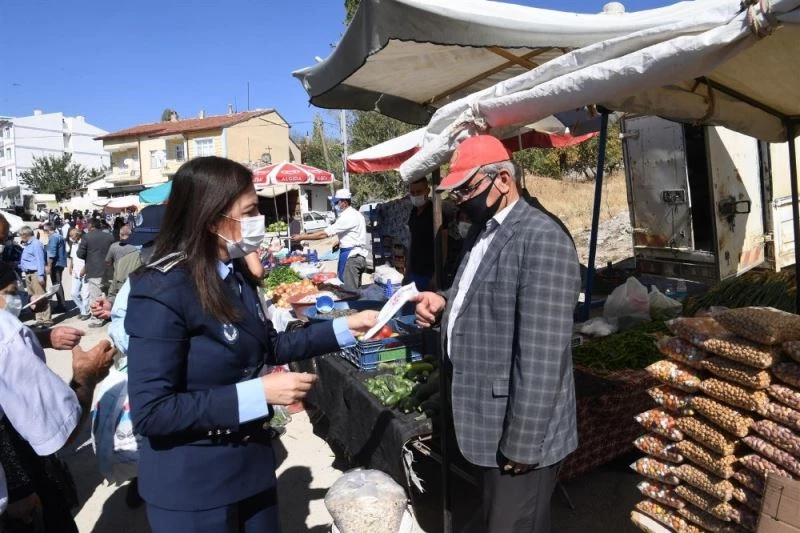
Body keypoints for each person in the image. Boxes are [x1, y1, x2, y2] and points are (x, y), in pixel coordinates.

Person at [125, 156, 378, 533]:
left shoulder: (235, 276)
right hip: (194, 487)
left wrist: (346, 327)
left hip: (251, 468)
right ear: (212, 220)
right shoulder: (162, 290)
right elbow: (152, 412)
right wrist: (256, 393)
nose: (259, 219)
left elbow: (269, 346)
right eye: (251, 210)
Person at [412, 135, 581, 533]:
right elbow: (473, 292)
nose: (460, 200)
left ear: (503, 180)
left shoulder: (542, 238)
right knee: (496, 520)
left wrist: (524, 443)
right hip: (486, 420)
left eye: (467, 189)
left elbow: (542, 354)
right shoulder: (484, 230)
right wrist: (444, 303)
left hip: (520, 430)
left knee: (514, 525)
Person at [0, 269, 116, 523]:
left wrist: (41, 337)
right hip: (22, 493)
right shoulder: (5, 334)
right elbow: (60, 433)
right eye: (10, 293)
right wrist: (86, 378)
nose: (17, 299)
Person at [291, 188, 367, 291]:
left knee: (351, 292)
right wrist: (340, 241)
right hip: (358, 255)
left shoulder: (348, 216)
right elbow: (354, 235)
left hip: (352, 257)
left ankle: (354, 307)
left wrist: (302, 237)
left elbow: (323, 234)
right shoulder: (356, 214)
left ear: (344, 202)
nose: (334, 205)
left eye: (336, 202)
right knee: (356, 291)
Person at [77, 218, 114, 328]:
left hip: (94, 271)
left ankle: (97, 319)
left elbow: (80, 254)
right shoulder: (110, 236)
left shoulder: (86, 237)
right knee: (109, 295)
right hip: (109, 270)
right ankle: (110, 315)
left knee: (95, 297)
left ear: (90, 226)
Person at [405, 177, 435, 290]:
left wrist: (437, 275)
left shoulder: (435, 213)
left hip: (429, 273)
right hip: (414, 272)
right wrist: (407, 270)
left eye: (419, 192)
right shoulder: (413, 212)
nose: (415, 195)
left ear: (427, 191)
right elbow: (412, 241)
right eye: (412, 192)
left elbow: (443, 243)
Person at [18, 226, 51, 328]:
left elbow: (40, 260)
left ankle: (46, 319)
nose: (20, 237)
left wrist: (41, 275)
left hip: (36, 273)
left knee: (40, 296)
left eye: (21, 235)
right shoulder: (28, 245)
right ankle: (39, 319)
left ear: (25, 234)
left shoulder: (36, 244)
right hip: (28, 274)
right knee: (34, 298)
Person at [43, 222, 68, 314]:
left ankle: (62, 305)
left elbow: (52, 254)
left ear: (48, 230)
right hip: (60, 263)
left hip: (56, 264)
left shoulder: (53, 238)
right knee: (57, 283)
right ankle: (61, 304)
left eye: (45, 231)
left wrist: (49, 266)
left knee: (56, 284)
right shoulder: (59, 236)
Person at [68, 228, 90, 320]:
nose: (70, 237)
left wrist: (85, 269)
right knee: (74, 293)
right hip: (76, 271)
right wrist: (71, 266)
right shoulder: (73, 244)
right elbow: (72, 256)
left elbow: (89, 258)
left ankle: (85, 312)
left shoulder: (85, 243)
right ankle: (82, 309)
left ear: (77, 235)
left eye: (72, 235)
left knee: (85, 293)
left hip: (85, 271)